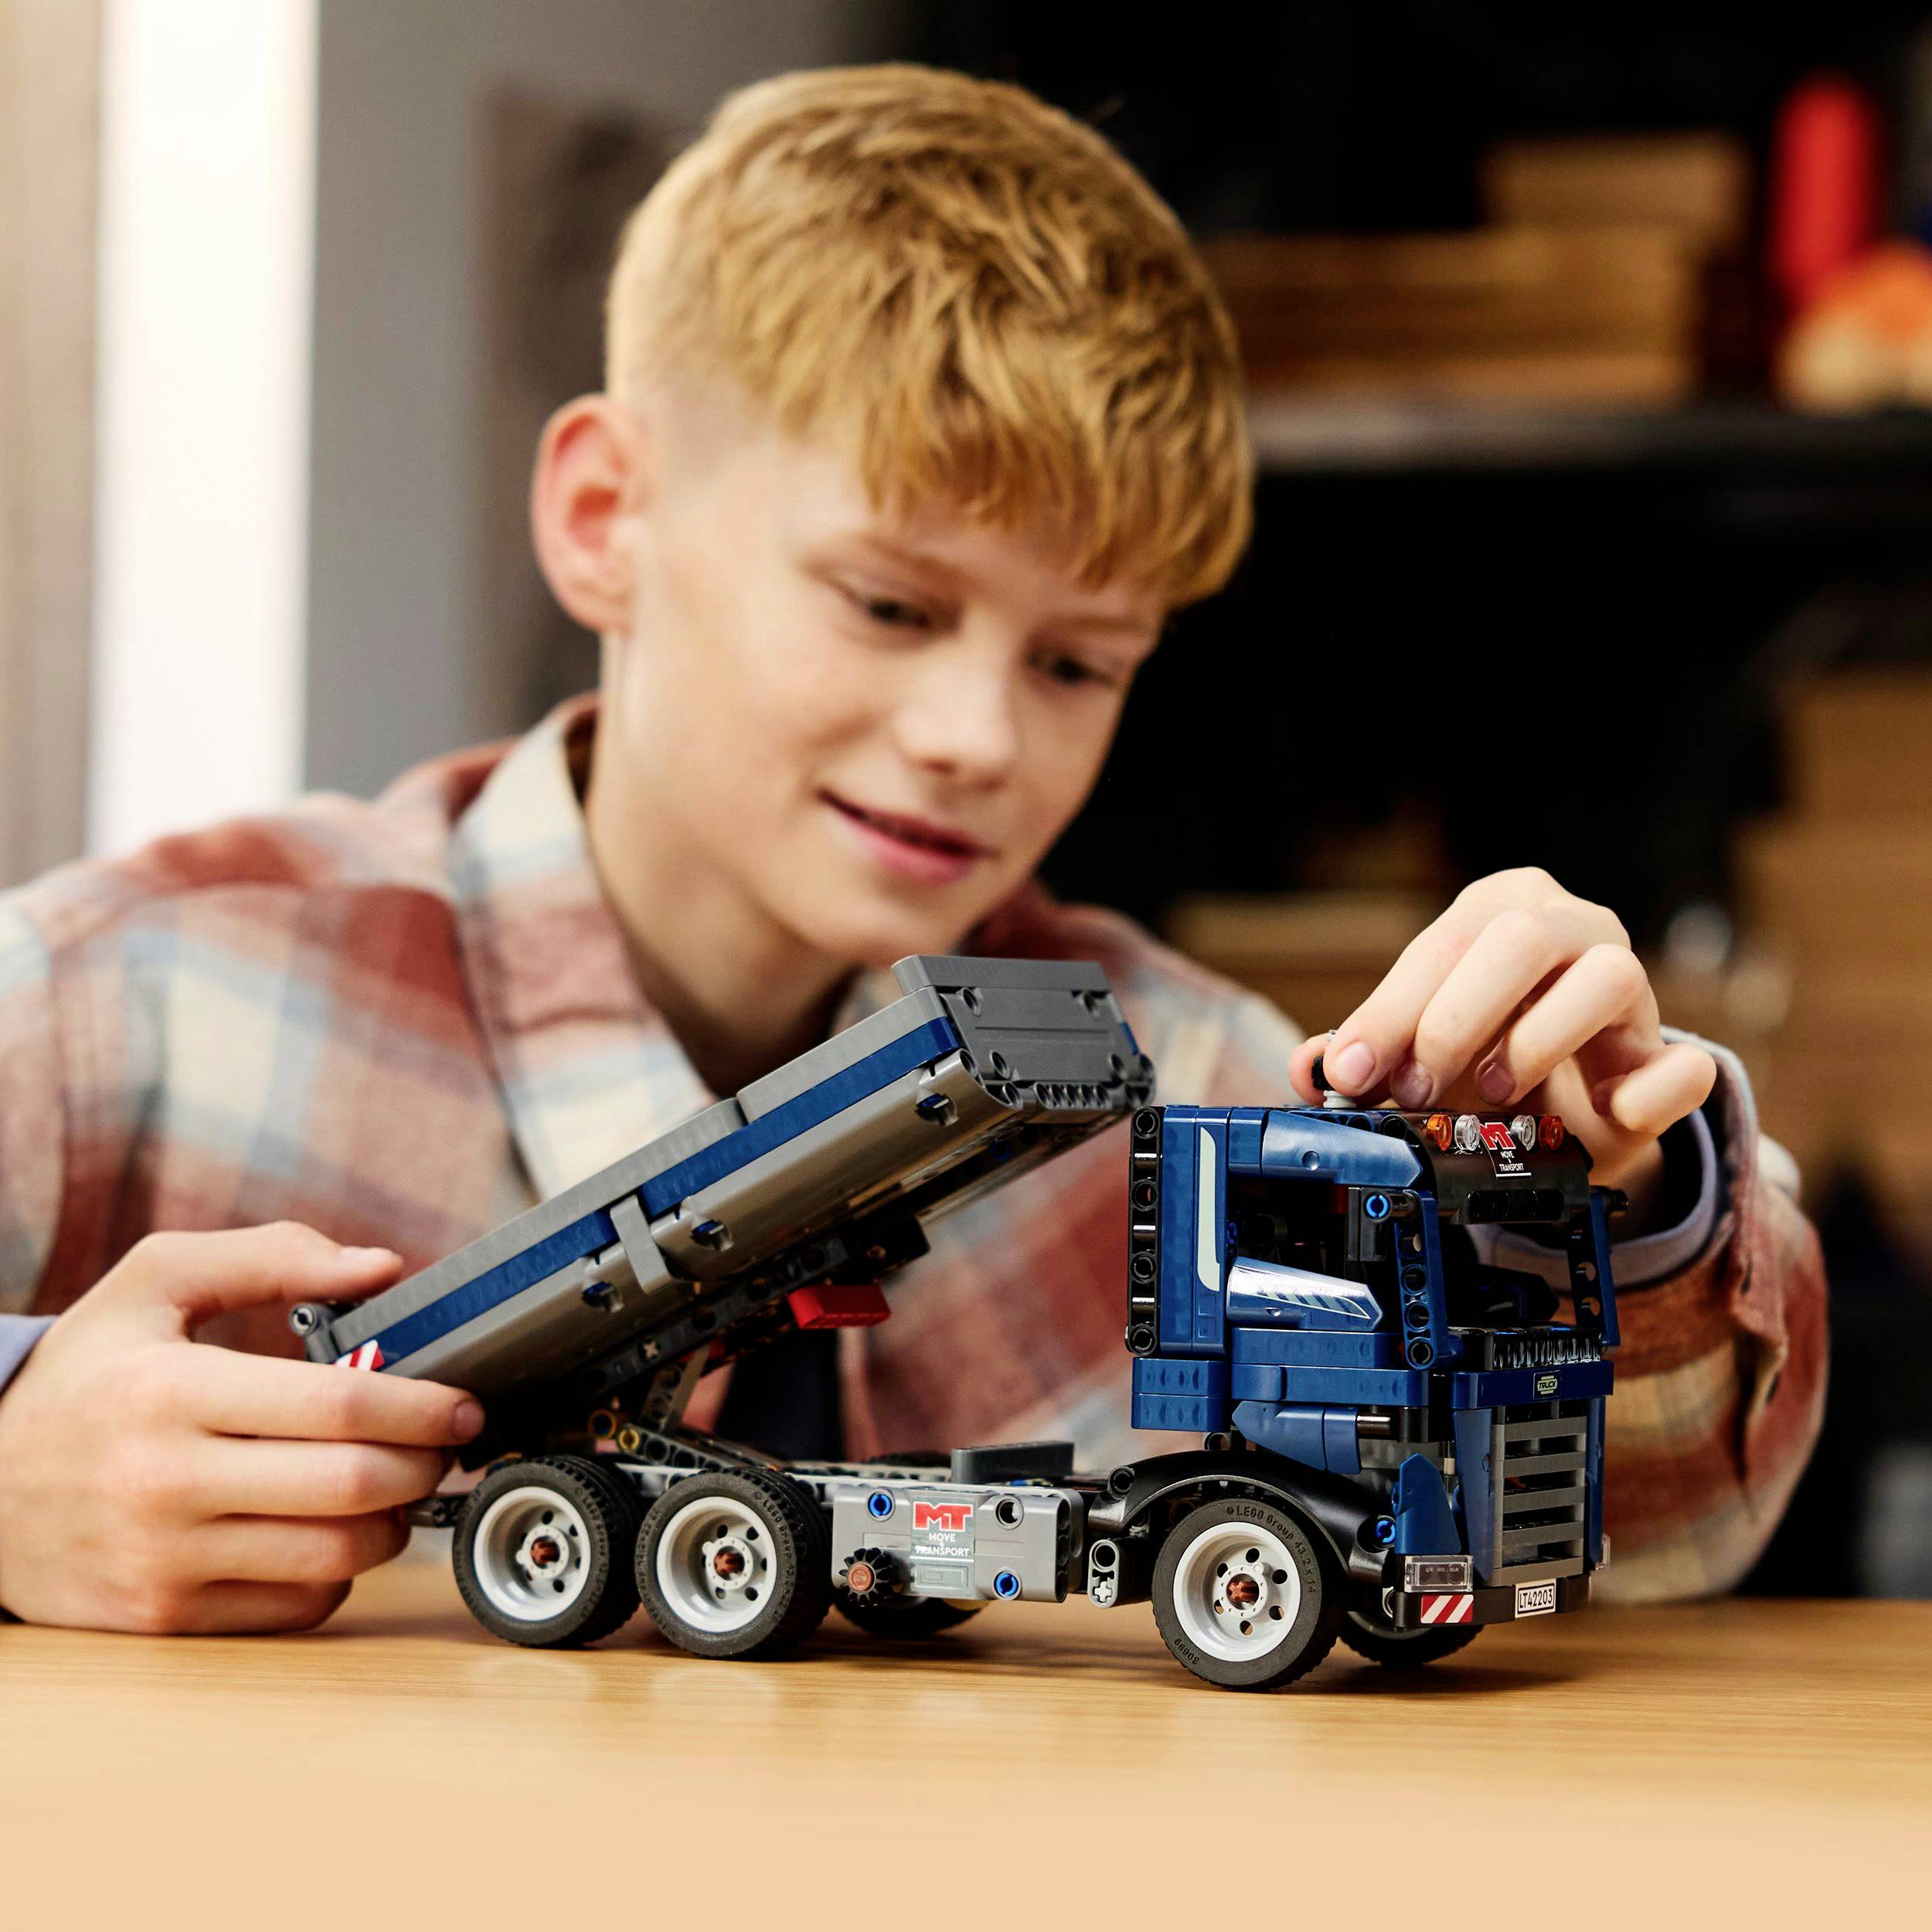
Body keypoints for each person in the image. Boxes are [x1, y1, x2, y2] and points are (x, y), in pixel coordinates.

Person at [0, 66, 1823, 1633]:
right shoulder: (123, 1000)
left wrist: (1606, 1200)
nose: (976, 734)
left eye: (1074, 661)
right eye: (888, 602)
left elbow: (1668, 1536)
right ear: (605, 516)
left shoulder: (1194, 1081)